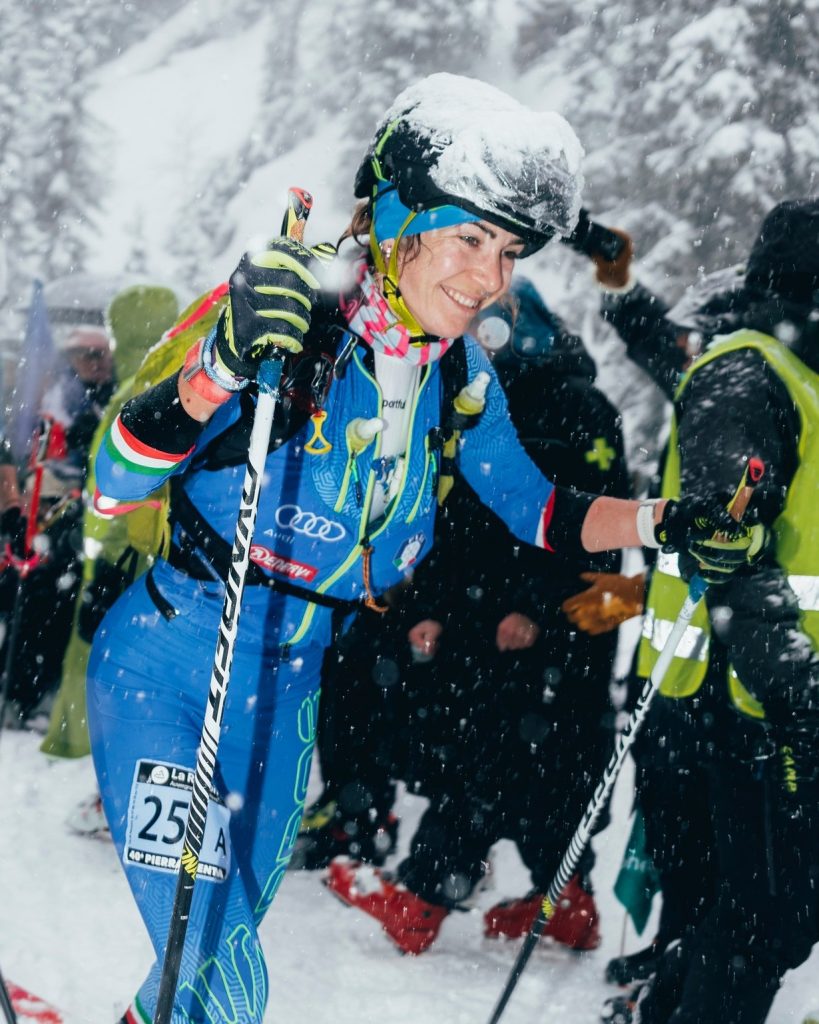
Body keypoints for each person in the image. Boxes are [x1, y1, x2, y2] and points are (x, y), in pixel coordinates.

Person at [86, 73, 757, 1024]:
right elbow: (117, 482)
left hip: (283, 699)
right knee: (221, 967)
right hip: (171, 669)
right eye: (469, 238)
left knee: (194, 979)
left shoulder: (457, 375)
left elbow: (542, 512)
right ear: (400, 219)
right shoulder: (283, 319)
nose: (489, 278)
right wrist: (219, 367)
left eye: (508, 251)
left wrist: (666, 523)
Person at [324, 274, 630, 954]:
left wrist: (538, 612)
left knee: (489, 758)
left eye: (496, 318)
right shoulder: (480, 398)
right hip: (482, 615)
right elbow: (456, 515)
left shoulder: (576, 406)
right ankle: (567, 899)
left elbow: (588, 519)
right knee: (534, 765)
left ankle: (424, 896)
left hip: (549, 628)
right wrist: (429, 604)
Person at [601, 198, 819, 1024]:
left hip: (749, 691)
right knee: (751, 912)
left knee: (749, 913)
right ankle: (667, 988)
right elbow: (727, 541)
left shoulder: (783, 370)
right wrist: (794, 686)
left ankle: (667, 989)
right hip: (727, 695)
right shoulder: (744, 369)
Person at [0, 318, 116, 729]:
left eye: (103, 355)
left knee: (59, 611)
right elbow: (31, 453)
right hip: (40, 516)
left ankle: (39, 692)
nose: (99, 363)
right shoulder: (52, 399)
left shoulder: (109, 395)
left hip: (76, 521)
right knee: (29, 607)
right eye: (90, 355)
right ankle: (18, 693)